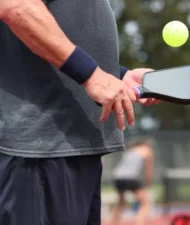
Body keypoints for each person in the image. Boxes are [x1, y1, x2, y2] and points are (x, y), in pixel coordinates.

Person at [0, 1, 158, 225]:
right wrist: (92, 75)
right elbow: (16, 6)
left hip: (73, 146)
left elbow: (66, 30)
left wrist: (116, 75)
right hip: (39, 149)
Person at [110, 137, 154, 225]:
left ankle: (113, 222)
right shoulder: (146, 150)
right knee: (145, 203)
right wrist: (148, 182)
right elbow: (149, 170)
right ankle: (139, 222)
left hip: (118, 177)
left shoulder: (131, 151)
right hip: (130, 178)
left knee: (120, 203)